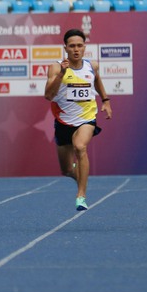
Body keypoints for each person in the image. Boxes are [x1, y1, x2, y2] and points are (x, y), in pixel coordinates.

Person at [44, 29, 112, 211]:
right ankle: (81, 175)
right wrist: (62, 75)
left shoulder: (92, 66)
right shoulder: (56, 67)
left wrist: (105, 100)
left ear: (84, 47)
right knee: (66, 170)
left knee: (80, 147)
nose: (76, 49)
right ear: (65, 47)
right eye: (72, 46)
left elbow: (97, 81)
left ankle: (81, 195)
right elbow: (48, 96)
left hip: (87, 118)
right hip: (63, 121)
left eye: (79, 46)